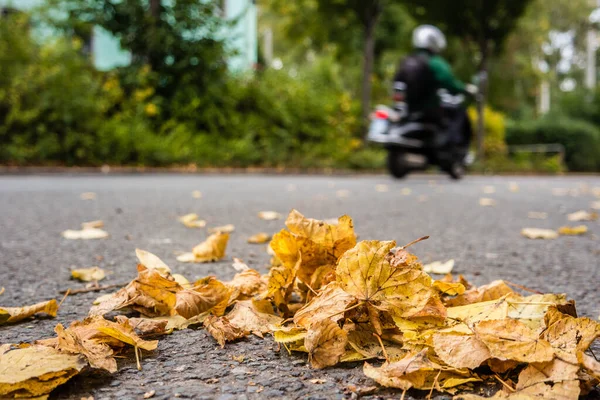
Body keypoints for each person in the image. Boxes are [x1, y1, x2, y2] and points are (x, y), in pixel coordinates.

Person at [393, 25, 475, 147]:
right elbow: (450, 83)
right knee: (458, 112)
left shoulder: (407, 60)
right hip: (429, 109)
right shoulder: (435, 62)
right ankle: (453, 144)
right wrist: (465, 88)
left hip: (408, 108)